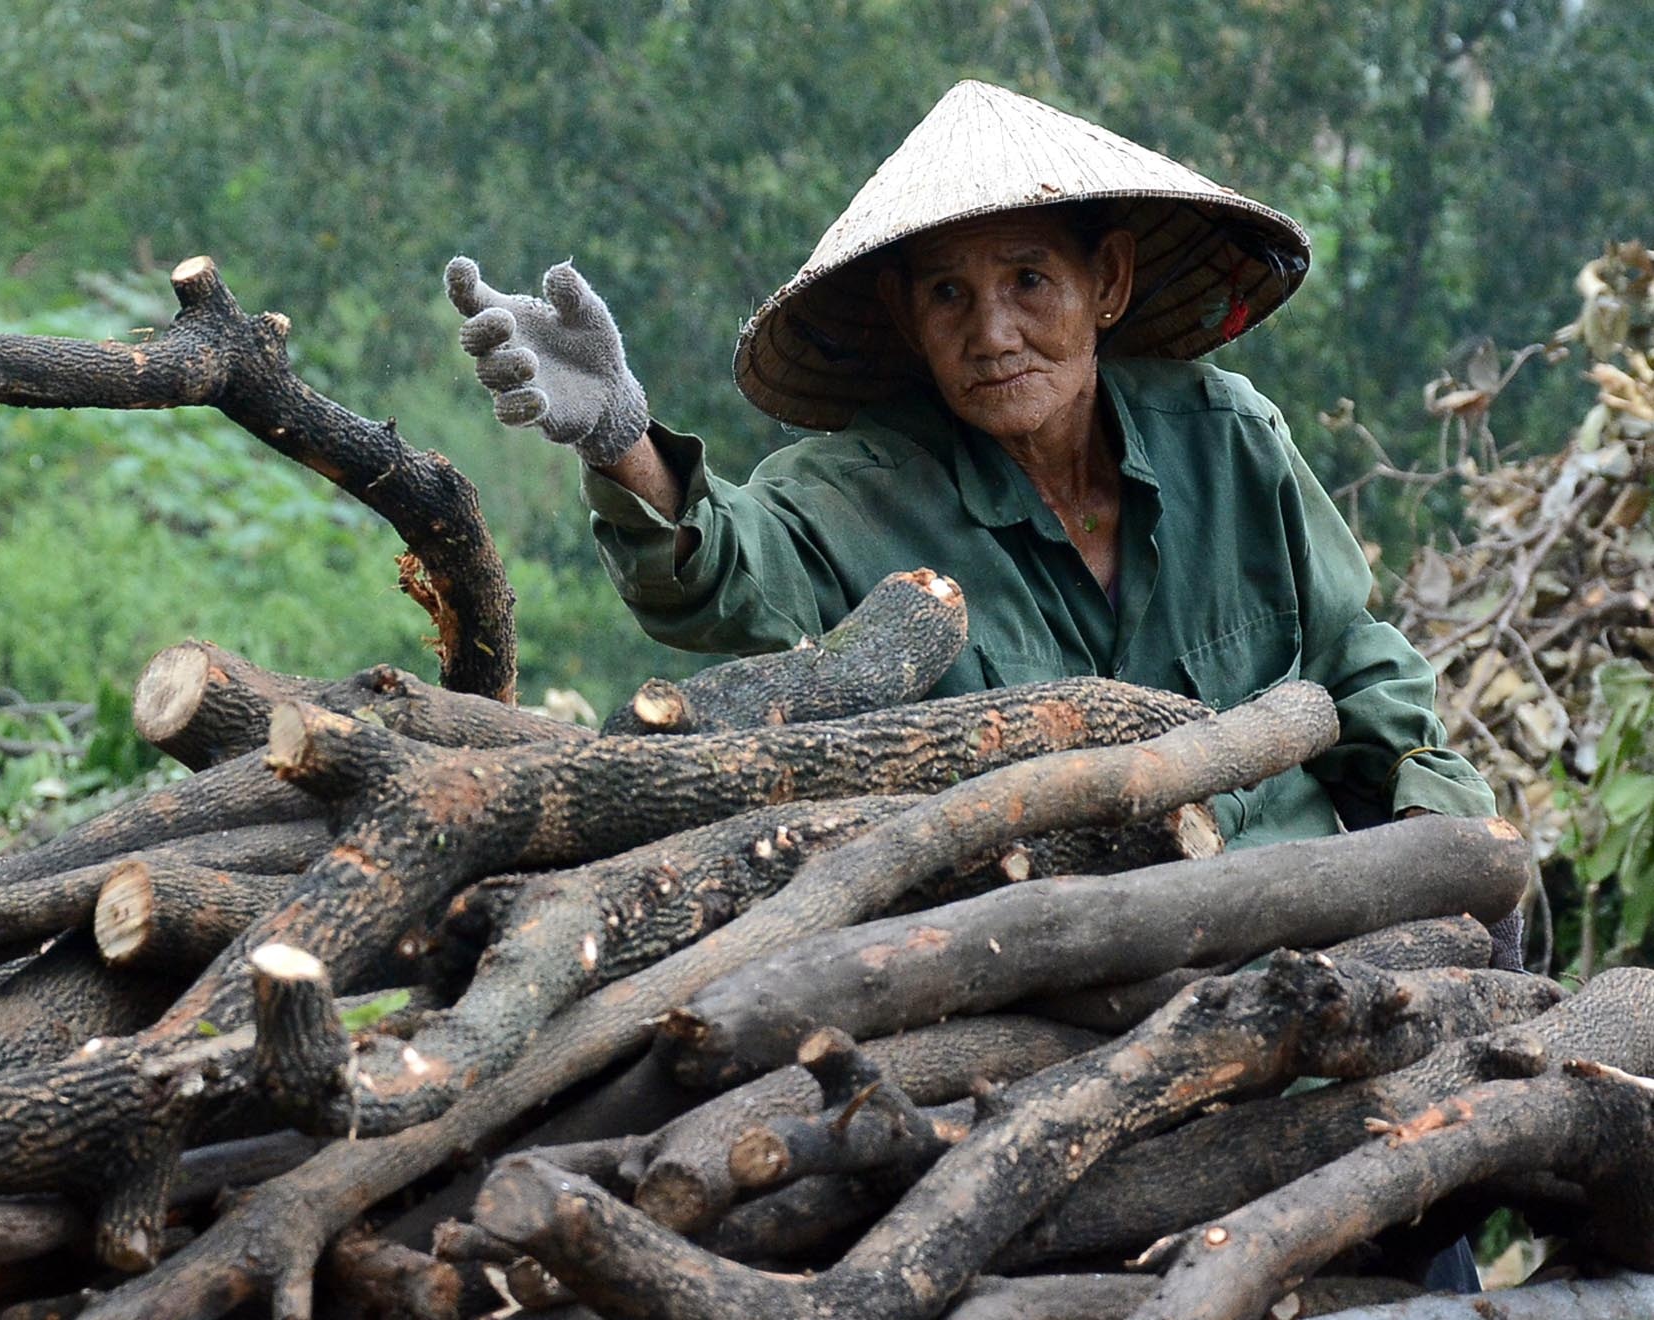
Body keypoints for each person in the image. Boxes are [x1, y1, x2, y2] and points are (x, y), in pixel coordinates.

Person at [442, 79, 1496, 855]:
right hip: (1063, 988)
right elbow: (726, 573)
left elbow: (1360, 661)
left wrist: (1437, 835)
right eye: (948, 295)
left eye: (1030, 280)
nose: (993, 333)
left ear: (1109, 283)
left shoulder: (1226, 436)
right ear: (906, 316)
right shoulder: (858, 491)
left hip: (1315, 936)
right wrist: (618, 431)